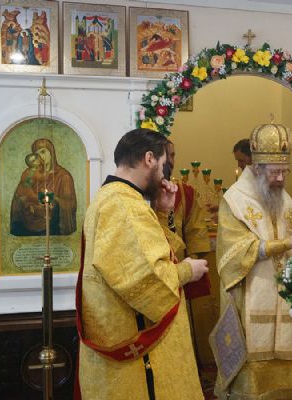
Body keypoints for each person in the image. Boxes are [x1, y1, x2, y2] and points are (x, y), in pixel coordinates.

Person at [76, 128, 209, 400]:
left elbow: (148, 254)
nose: (164, 174)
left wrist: (162, 212)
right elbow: (146, 280)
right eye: (164, 164)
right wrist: (188, 270)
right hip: (137, 359)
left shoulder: (114, 198)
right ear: (149, 159)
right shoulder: (125, 206)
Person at [215, 123, 292, 400]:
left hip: (284, 297)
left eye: (285, 171)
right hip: (251, 292)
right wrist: (284, 244)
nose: (281, 179)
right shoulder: (235, 200)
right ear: (257, 168)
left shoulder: (283, 198)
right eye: (274, 172)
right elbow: (234, 253)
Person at [10, 138, 77, 236]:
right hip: (28, 223)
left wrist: (54, 200)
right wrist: (24, 200)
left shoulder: (63, 176)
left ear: (51, 153)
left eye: (43, 152)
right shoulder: (30, 173)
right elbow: (21, 194)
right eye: (37, 154)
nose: (41, 157)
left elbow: (69, 204)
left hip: (53, 226)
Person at [164, 141, 211, 261]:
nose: (169, 161)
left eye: (172, 155)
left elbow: (196, 234)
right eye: (164, 155)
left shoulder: (184, 193)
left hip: (182, 266)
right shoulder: (136, 193)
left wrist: (191, 264)